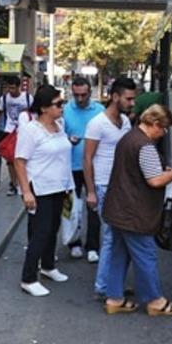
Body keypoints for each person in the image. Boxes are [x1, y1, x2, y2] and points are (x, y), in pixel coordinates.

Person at [102, 104, 172, 316]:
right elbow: (155, 181)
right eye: (164, 128)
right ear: (155, 124)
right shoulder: (145, 146)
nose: (164, 133)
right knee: (145, 255)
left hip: (118, 208)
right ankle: (155, 301)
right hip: (135, 213)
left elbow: (135, 171)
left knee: (119, 255)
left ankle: (114, 299)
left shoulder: (129, 138)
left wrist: (161, 171)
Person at [15, 85, 73, 297]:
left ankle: (48, 266)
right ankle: (28, 278)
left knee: (53, 229)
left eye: (62, 103)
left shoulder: (59, 125)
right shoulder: (31, 130)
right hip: (40, 188)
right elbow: (20, 161)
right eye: (58, 104)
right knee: (40, 233)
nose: (62, 108)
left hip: (59, 186)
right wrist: (26, 192)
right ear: (44, 108)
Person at [83, 77, 136, 298]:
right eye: (128, 98)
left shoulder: (125, 121)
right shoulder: (97, 123)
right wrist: (92, 192)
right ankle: (103, 287)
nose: (132, 103)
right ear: (115, 97)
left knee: (119, 237)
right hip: (104, 186)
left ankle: (111, 284)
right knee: (112, 237)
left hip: (121, 187)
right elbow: (87, 159)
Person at [63, 76, 105, 262]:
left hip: (94, 166)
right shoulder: (65, 110)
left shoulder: (100, 111)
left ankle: (93, 246)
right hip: (70, 165)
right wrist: (67, 139)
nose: (80, 99)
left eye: (84, 95)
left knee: (93, 205)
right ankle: (74, 242)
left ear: (90, 92)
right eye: (76, 95)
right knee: (72, 207)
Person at [0, 75, 31, 196]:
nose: (10, 91)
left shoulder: (27, 98)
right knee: (10, 159)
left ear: (19, 87)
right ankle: (13, 183)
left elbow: (33, 113)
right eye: (8, 88)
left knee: (23, 157)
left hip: (24, 131)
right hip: (9, 130)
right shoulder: (4, 98)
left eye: (13, 88)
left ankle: (24, 182)